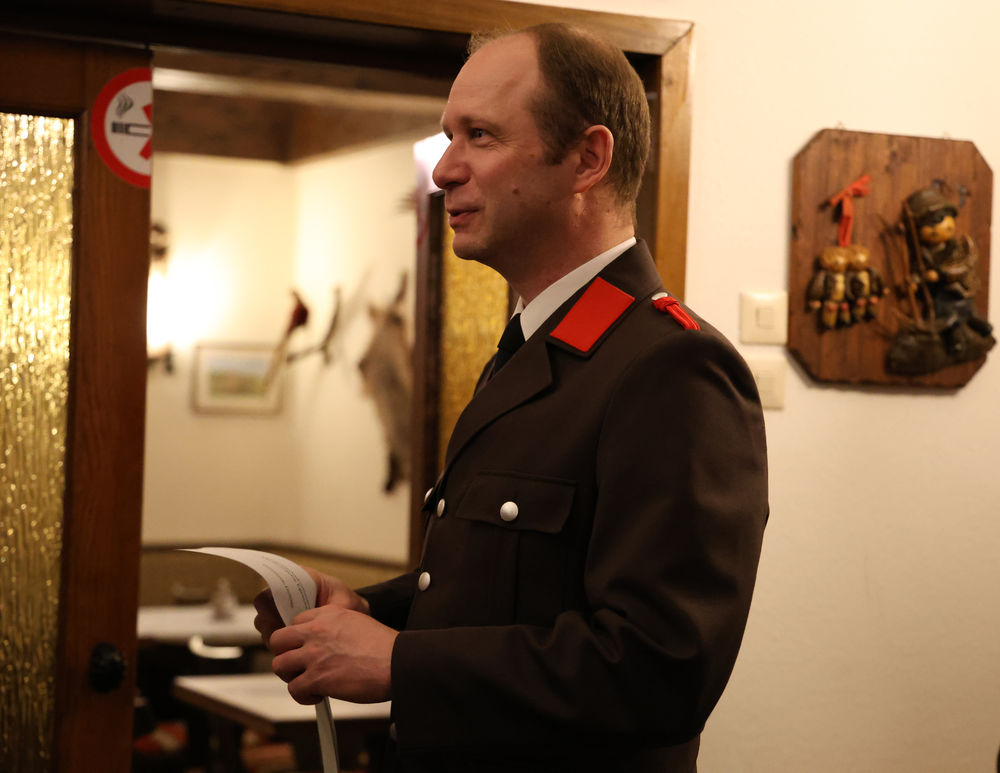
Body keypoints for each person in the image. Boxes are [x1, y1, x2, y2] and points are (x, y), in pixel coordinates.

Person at [255, 22, 768, 773]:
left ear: (588, 159)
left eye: (481, 136)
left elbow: (662, 668)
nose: (443, 171)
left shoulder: (671, 366)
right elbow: (507, 589)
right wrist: (371, 610)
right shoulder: (534, 348)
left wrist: (401, 662)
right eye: (448, 137)